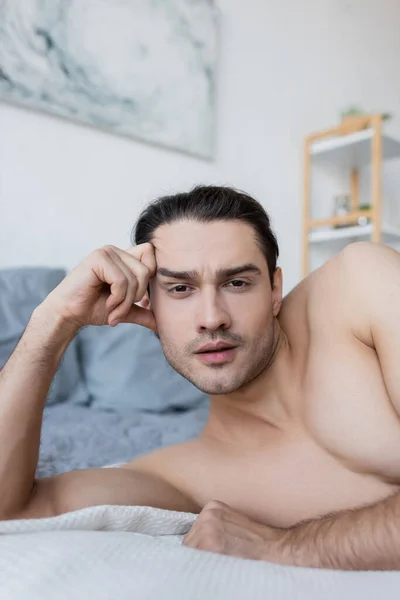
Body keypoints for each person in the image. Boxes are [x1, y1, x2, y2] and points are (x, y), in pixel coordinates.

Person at [1, 185, 400, 571]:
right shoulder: (183, 478)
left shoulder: (360, 284)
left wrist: (288, 548)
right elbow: (11, 511)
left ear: (274, 290)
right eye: (180, 288)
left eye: (237, 282)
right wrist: (53, 322)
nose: (212, 318)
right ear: (147, 304)